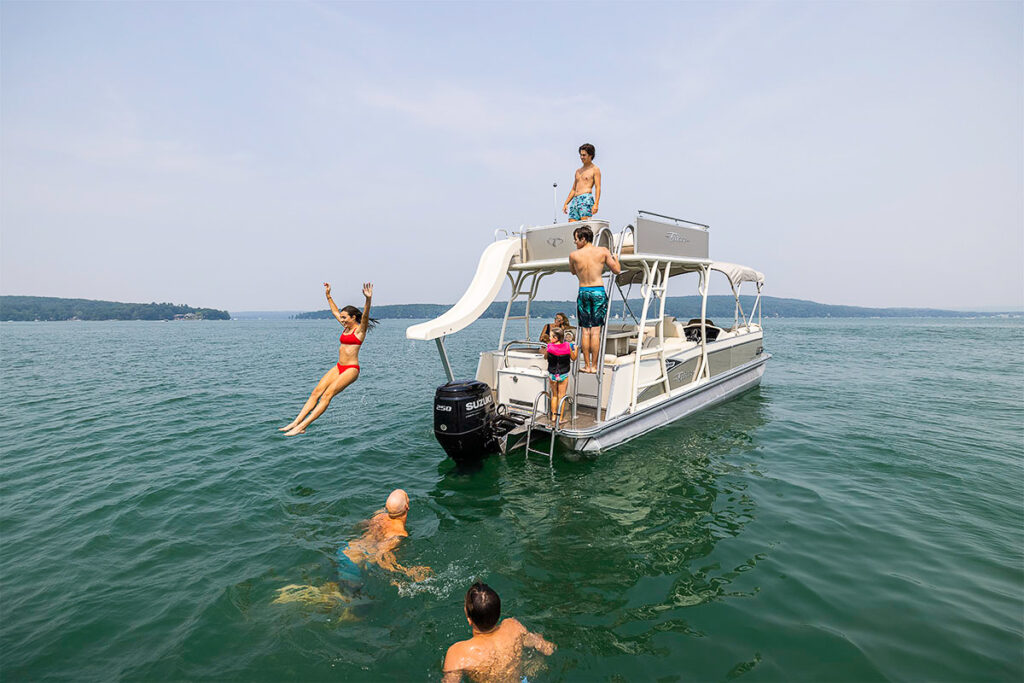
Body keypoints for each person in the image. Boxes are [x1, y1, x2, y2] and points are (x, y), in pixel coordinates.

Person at [273, 489, 430, 606]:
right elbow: (382, 557)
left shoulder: (378, 516)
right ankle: (300, 594)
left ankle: (301, 592)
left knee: (335, 587)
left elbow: (362, 525)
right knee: (344, 602)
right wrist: (407, 574)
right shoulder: (399, 533)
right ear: (407, 507)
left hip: (345, 549)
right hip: (355, 564)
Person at [280, 282, 375, 436]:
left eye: (345, 318)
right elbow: (334, 312)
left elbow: (364, 316)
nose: (342, 320)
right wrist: (328, 295)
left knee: (327, 395)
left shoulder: (359, 331)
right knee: (315, 393)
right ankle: (296, 422)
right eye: (342, 318)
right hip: (339, 367)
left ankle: (302, 426)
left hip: (351, 369)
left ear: (353, 317)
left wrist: (368, 300)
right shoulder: (346, 327)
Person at [442, 582, 555, 683]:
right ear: (499, 613)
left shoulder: (458, 653)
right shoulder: (513, 626)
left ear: (469, 619)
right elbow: (548, 649)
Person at [568, 225, 621, 373]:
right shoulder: (603, 251)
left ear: (583, 239)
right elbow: (616, 270)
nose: (575, 242)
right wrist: (615, 258)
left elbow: (573, 272)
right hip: (598, 291)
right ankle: (595, 366)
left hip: (583, 291)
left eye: (576, 239)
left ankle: (586, 365)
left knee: (585, 331)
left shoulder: (574, 255)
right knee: (596, 331)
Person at [544, 328, 577, 424]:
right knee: (561, 396)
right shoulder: (567, 346)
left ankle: (553, 417)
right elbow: (573, 358)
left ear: (555, 337)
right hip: (563, 374)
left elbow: (545, 357)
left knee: (554, 395)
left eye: (550, 336)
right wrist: (577, 349)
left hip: (552, 374)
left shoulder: (549, 347)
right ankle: (560, 418)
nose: (549, 338)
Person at [562, 143, 601, 222]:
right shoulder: (578, 171)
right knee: (572, 226)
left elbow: (598, 187)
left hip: (585, 199)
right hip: (575, 200)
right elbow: (573, 189)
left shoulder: (595, 169)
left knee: (584, 225)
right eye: (581, 155)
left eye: (584, 155)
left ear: (590, 155)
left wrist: (596, 204)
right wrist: (566, 203)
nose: (581, 157)